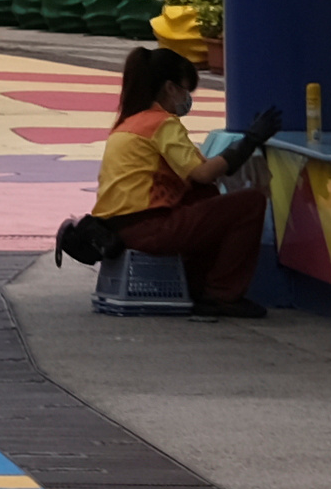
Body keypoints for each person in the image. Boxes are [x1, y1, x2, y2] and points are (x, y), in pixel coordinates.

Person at [55, 44, 268, 314]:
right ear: (170, 88)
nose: (187, 98)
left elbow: (198, 179)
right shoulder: (162, 124)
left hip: (119, 230)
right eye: (186, 90)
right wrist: (249, 142)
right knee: (249, 204)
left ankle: (197, 285)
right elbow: (203, 172)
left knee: (204, 197)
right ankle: (221, 294)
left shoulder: (128, 124)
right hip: (150, 228)